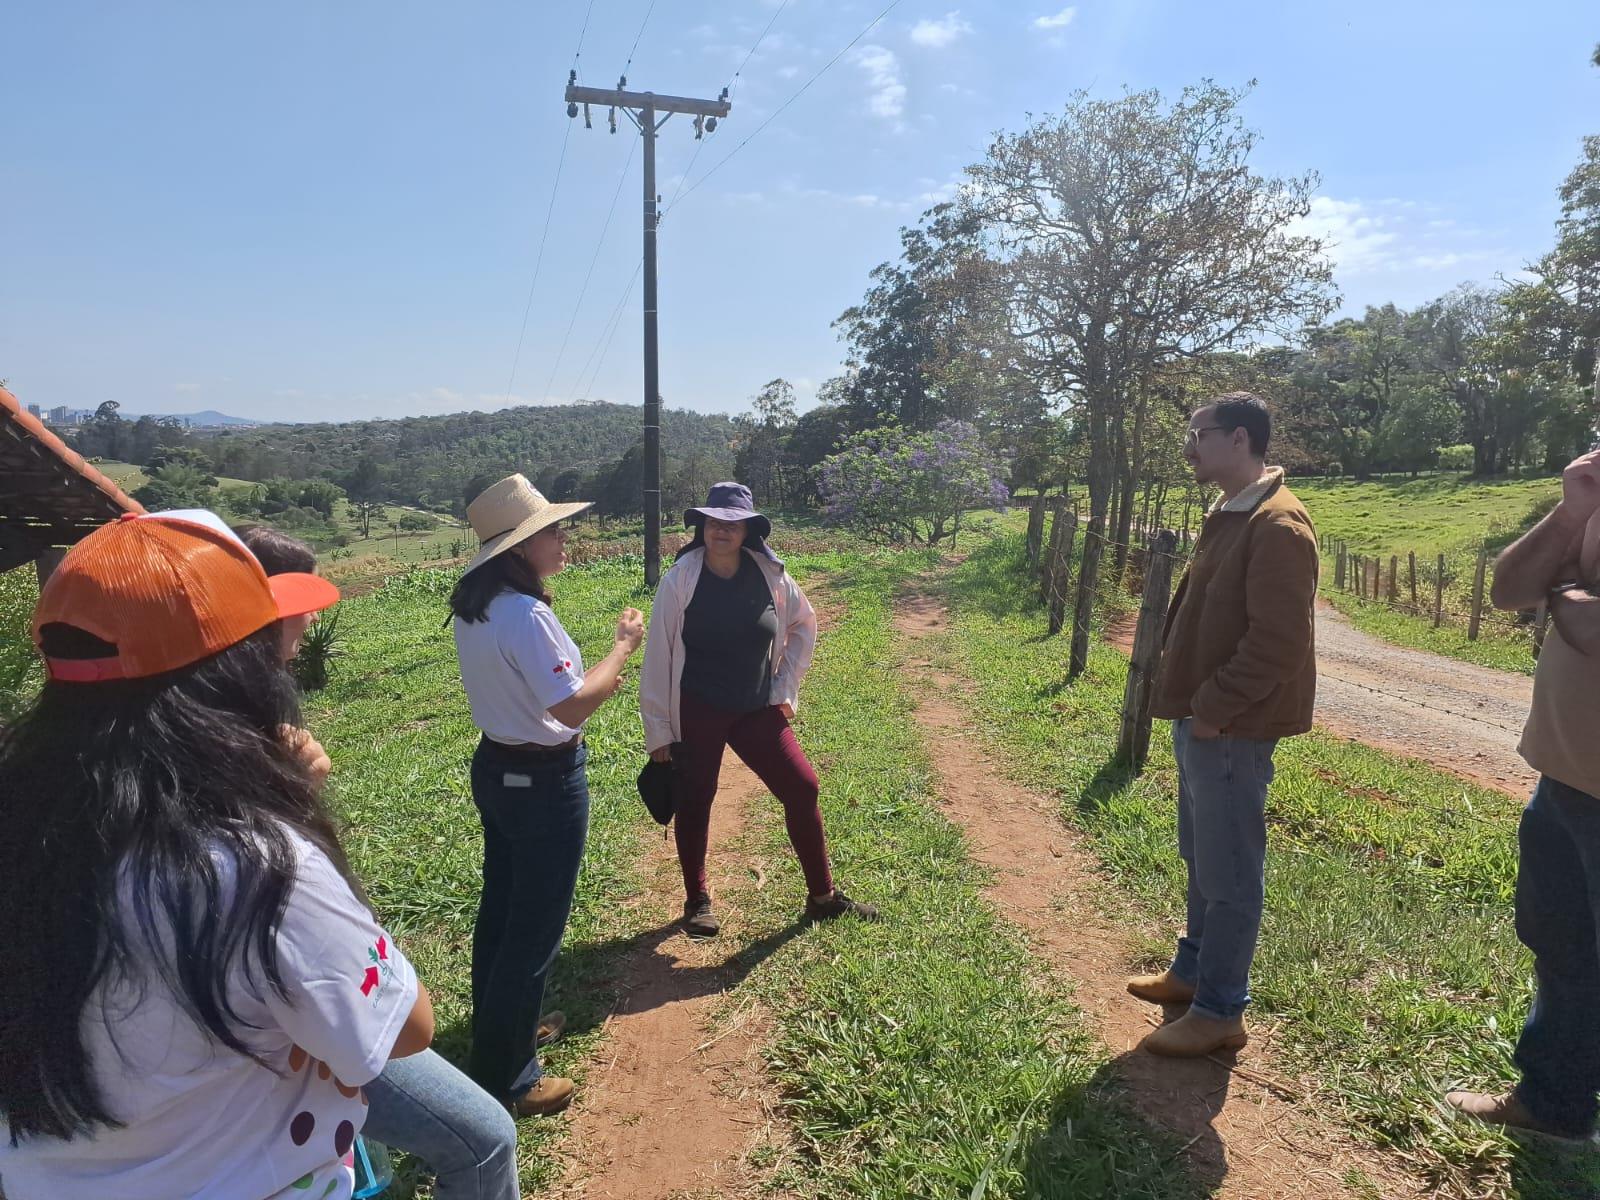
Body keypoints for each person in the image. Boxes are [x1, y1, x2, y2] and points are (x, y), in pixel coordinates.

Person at [0, 510, 433, 1200]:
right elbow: (408, 1029)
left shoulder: (27, 830)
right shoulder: (252, 862)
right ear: (235, 669)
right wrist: (291, 806)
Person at [237, 523, 521, 1199]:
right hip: (294, 1023)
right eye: (292, 604)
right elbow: (407, 1022)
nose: (307, 619)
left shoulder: (64, 789)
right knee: (484, 1141)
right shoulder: (240, 823)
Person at [1129, 393, 1318, 1058]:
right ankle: (1192, 973)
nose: (1189, 447)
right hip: (1206, 723)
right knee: (1203, 857)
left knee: (1231, 870)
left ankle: (1219, 1010)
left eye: (1198, 434)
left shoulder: (1278, 525)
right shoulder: (1234, 513)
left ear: (1239, 440)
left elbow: (1279, 642)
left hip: (1230, 728)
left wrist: (1212, 707)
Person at [451, 474, 644, 1118]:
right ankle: (510, 1075)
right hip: (543, 782)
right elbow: (571, 705)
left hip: (498, 769)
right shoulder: (524, 614)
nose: (564, 540)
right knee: (534, 932)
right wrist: (622, 647)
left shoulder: (477, 606)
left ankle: (502, 1030)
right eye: (551, 532)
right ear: (517, 549)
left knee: (503, 909)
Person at [639, 481, 879, 937]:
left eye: (731, 523)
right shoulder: (681, 578)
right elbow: (658, 656)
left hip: (754, 708)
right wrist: (659, 731)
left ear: (749, 530)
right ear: (702, 527)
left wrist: (784, 689)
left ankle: (823, 897)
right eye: (712, 522)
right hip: (697, 709)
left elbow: (804, 626)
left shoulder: (771, 575)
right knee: (695, 800)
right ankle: (697, 901)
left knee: (802, 787)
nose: (720, 530)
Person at [1445, 448, 1600, 1142]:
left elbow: (1588, 625)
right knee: (1562, 946)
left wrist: (1567, 591)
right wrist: (1572, 512)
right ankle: (1555, 1104)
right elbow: (1510, 589)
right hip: (1563, 776)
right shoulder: (1592, 503)